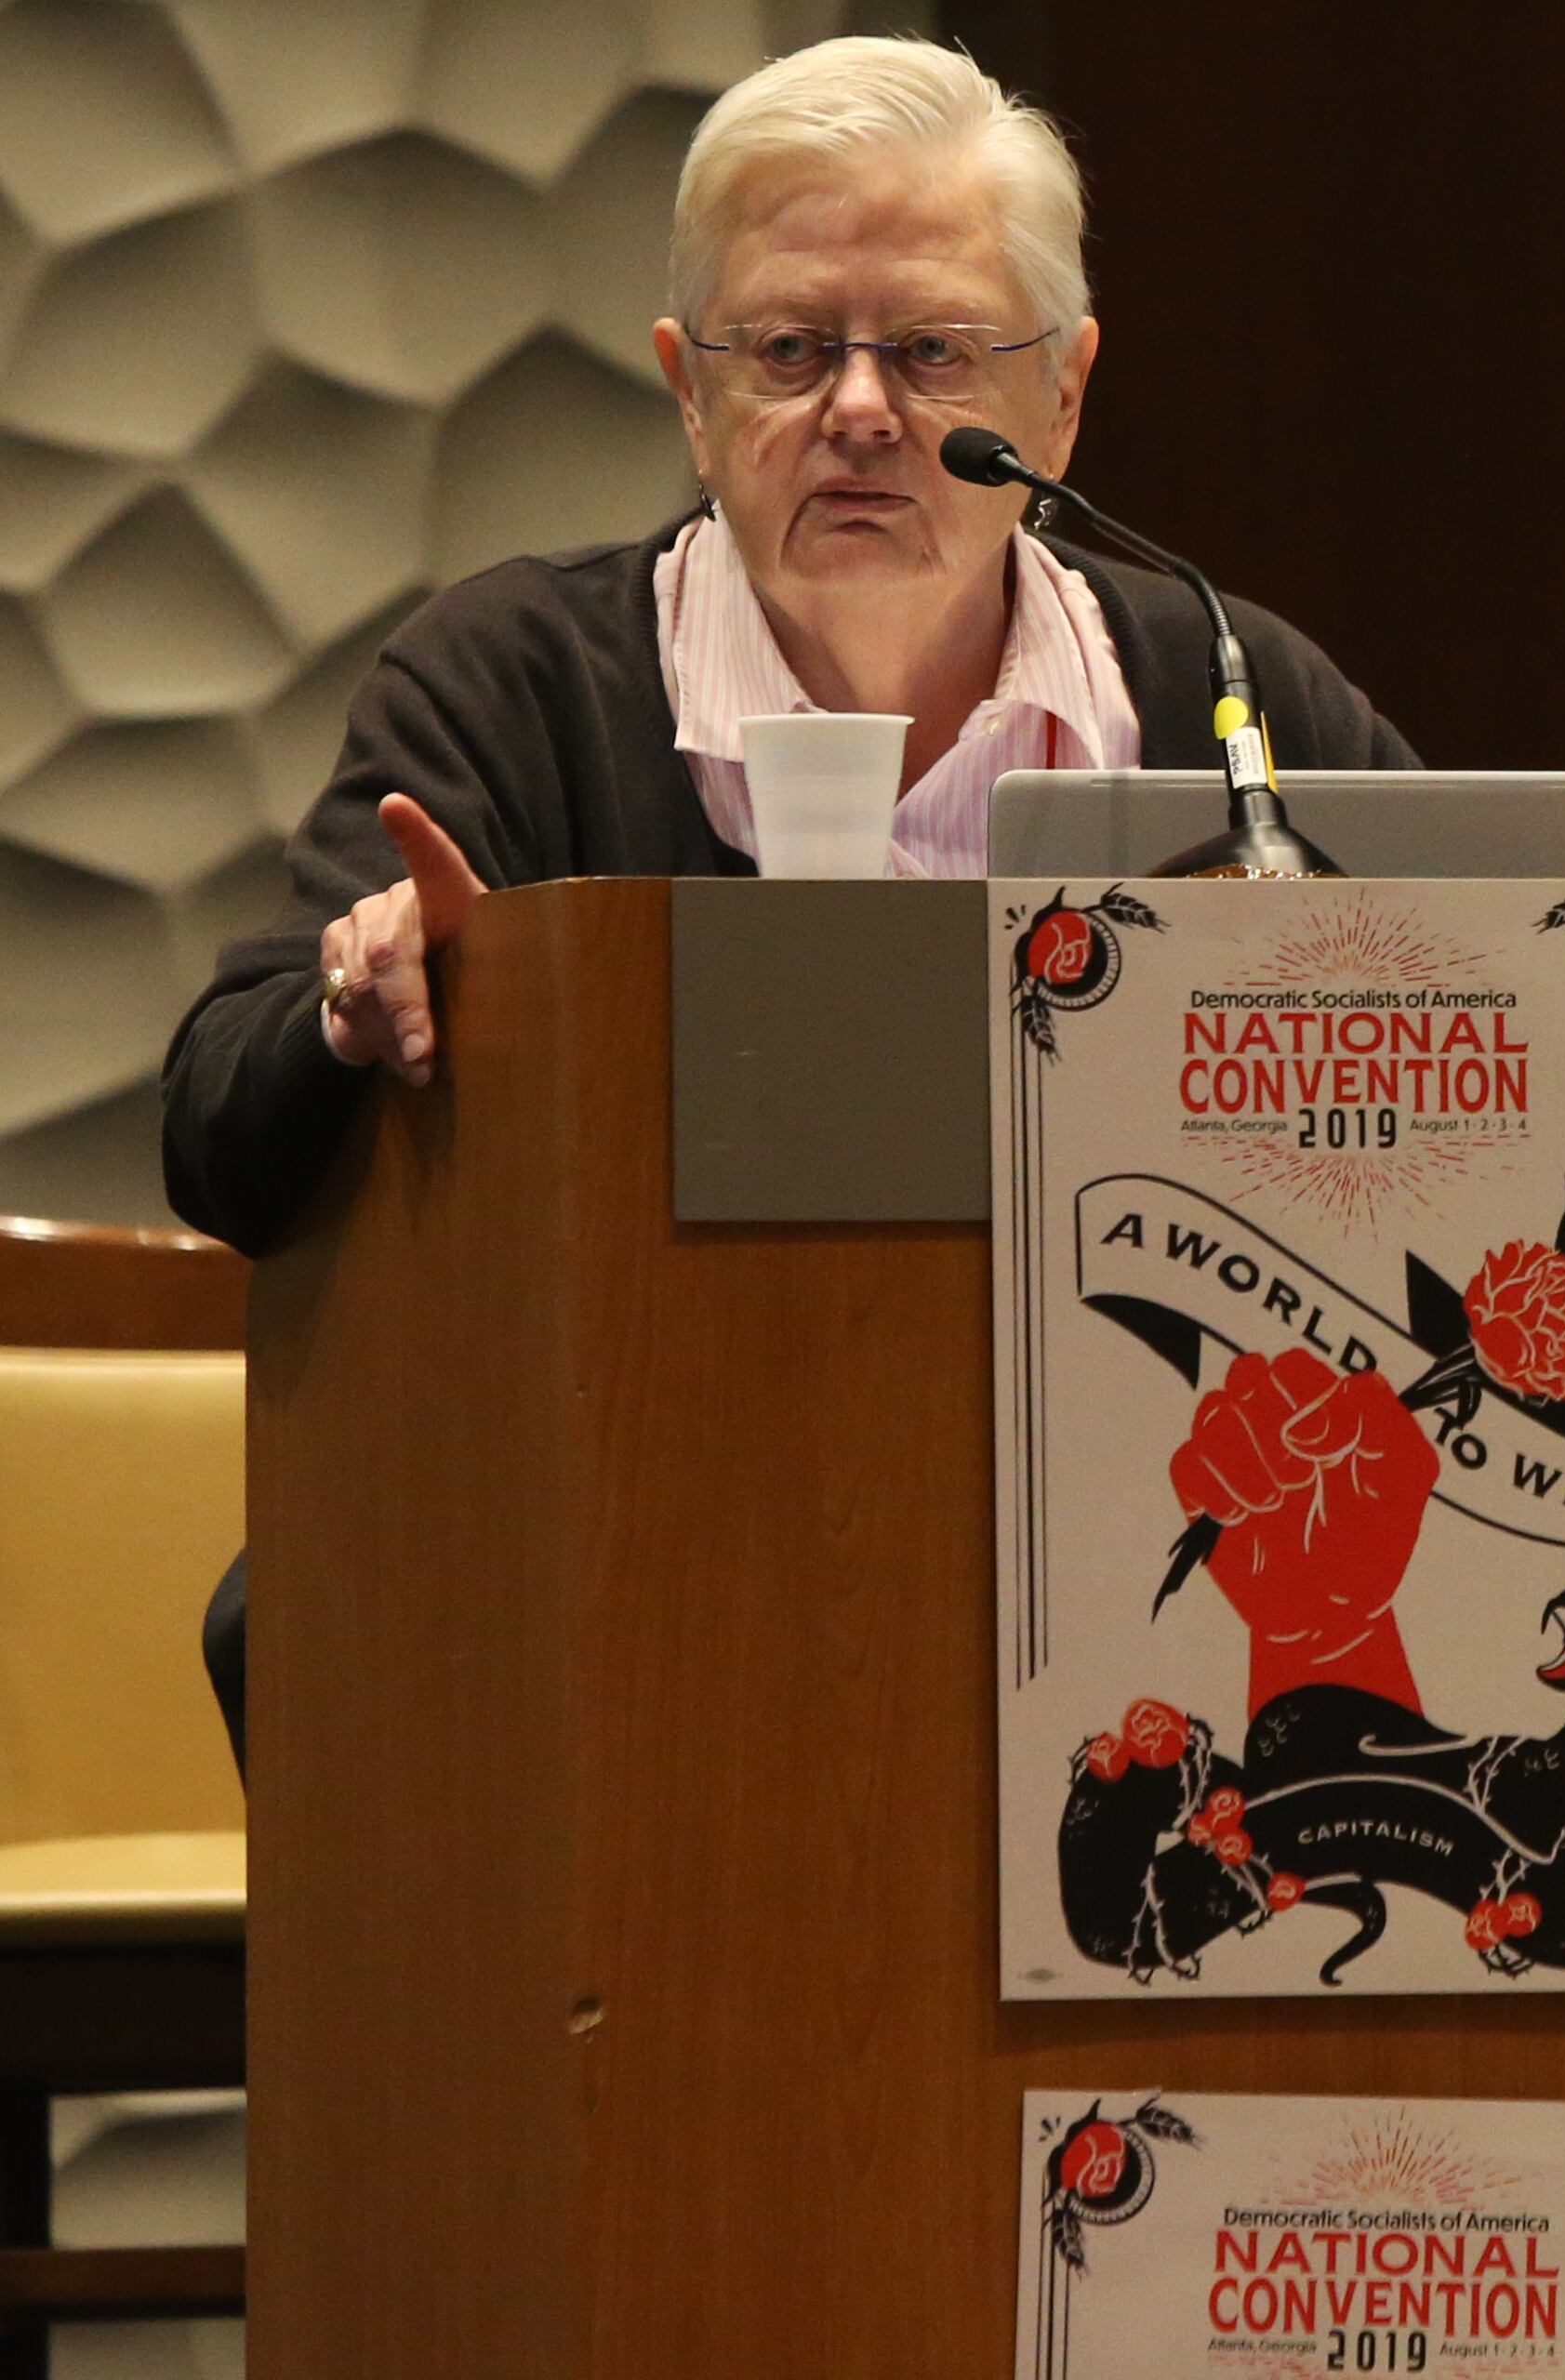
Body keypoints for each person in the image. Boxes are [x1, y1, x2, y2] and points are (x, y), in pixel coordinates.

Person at [162, 35, 1416, 1762]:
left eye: (934, 350)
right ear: (691, 391)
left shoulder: (1229, 698)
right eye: (789, 350)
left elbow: (1498, 1068)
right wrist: (349, 1007)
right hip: (632, 1509)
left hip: (1132, 1532)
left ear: (1062, 394)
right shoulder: (515, 684)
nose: (860, 411)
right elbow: (217, 1137)